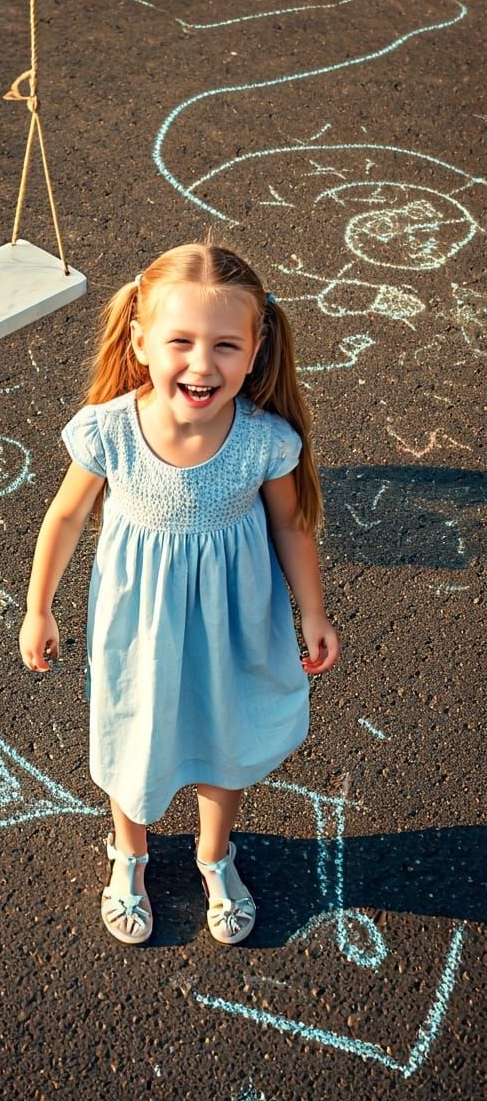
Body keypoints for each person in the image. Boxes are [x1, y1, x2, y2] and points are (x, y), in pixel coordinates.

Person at [19, 243, 340, 947]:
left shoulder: (262, 441)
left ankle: (213, 852)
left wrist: (311, 610)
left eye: (226, 345)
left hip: (234, 618)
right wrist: (39, 604)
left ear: (257, 349)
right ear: (140, 339)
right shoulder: (112, 431)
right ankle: (129, 852)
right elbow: (68, 515)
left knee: (226, 728)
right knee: (136, 730)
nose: (203, 365)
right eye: (182, 342)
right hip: (140, 623)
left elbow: (290, 523)